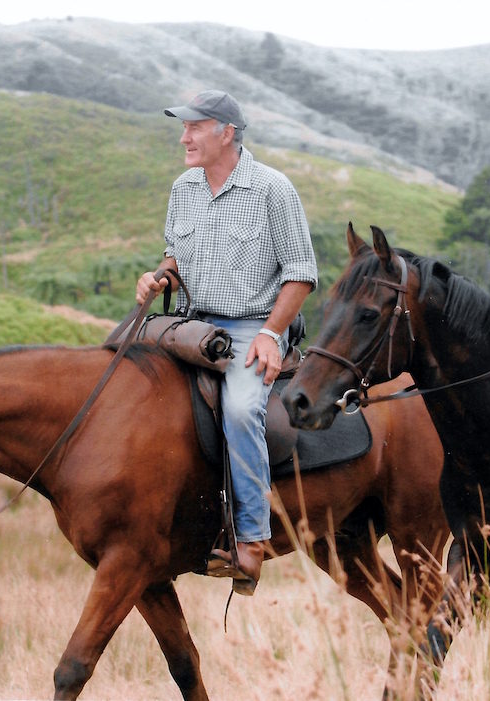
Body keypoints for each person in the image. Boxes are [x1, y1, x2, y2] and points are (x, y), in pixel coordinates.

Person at [135, 89, 318, 593]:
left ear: (226, 133)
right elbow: (175, 256)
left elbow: (301, 274)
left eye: (194, 127)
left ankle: (252, 541)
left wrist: (270, 335)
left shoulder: (272, 189)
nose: (184, 137)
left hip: (250, 325)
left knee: (240, 409)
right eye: (184, 127)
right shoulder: (183, 188)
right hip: (191, 324)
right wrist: (160, 278)